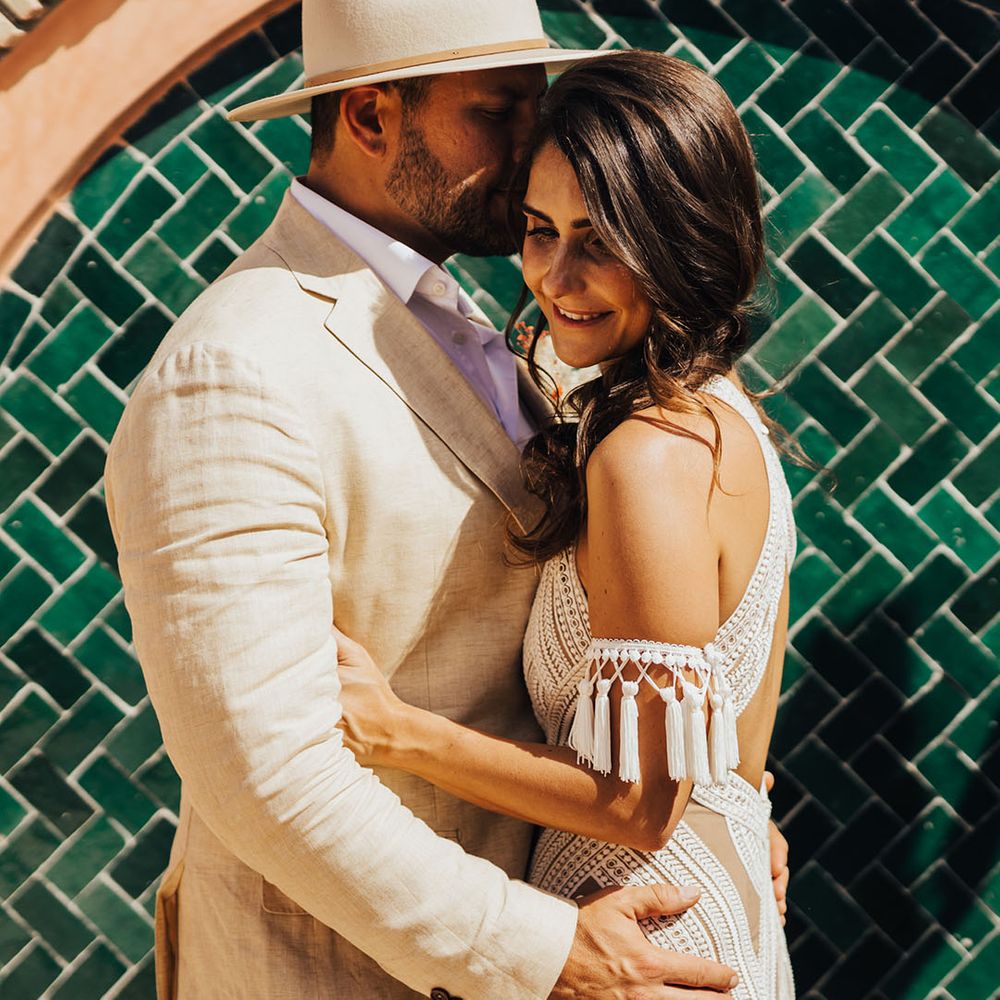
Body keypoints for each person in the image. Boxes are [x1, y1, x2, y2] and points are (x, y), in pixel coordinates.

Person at [104, 0, 787, 996]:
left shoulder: (492, 330)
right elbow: (266, 778)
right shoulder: (236, 367)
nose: (532, 147)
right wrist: (540, 950)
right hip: (341, 969)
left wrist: (726, 797)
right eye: (499, 110)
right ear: (375, 116)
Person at [332, 50, 796, 998]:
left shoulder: (648, 456)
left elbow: (639, 801)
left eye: (602, 238)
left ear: (681, 238)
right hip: (704, 918)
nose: (556, 275)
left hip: (648, 943)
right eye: (541, 230)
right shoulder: (723, 416)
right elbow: (742, 758)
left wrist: (392, 731)